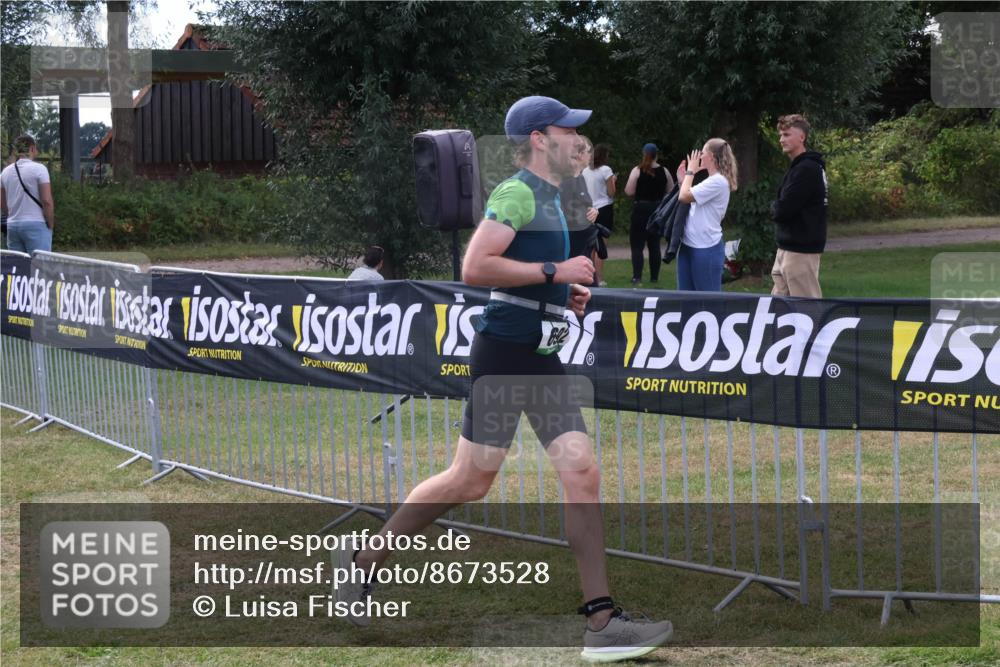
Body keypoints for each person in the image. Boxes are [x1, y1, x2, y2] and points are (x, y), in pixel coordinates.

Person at [336, 95, 673, 662]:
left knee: (583, 473)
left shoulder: (554, 196)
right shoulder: (516, 192)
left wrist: (564, 291)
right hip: (505, 354)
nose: (578, 141)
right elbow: (476, 266)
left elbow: (525, 273)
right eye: (568, 131)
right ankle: (364, 559)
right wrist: (554, 270)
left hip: (541, 355)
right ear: (540, 139)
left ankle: (602, 622)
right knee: (469, 482)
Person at [770, 114, 828, 298]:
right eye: (781, 135)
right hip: (786, 247)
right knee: (778, 308)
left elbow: (784, 209)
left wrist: (775, 207)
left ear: (801, 137)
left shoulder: (807, 168)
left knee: (806, 308)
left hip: (801, 251)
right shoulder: (799, 167)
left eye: (787, 134)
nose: (782, 139)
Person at [674, 138, 739, 292]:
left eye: (702, 153)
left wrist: (690, 171)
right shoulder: (711, 180)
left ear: (712, 157)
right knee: (684, 299)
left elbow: (684, 196)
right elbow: (687, 196)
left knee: (708, 302)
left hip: (706, 249)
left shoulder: (719, 182)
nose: (699, 156)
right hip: (688, 245)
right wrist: (683, 181)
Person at [624, 143, 674, 285]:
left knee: (637, 245)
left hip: (640, 209)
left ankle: (637, 277)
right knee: (654, 244)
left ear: (643, 154)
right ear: (656, 155)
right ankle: (654, 277)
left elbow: (629, 191)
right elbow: (671, 190)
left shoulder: (637, 170)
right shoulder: (664, 171)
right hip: (657, 210)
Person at [0, 134, 54, 254]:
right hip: (36, 224)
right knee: (39, 263)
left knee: (18, 264)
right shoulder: (40, 169)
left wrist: (11, 216)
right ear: (32, 148)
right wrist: (50, 223)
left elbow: (2, 202)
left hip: (13, 226)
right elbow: (46, 201)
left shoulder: (5, 172)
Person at [560, 135, 601, 287]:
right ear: (579, 154)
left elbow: (585, 205)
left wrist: (594, 211)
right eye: (589, 151)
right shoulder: (566, 180)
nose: (591, 155)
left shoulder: (580, 178)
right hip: (574, 249)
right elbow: (563, 214)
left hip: (584, 247)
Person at [583, 143, 616, 286]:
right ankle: (600, 278)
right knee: (601, 245)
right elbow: (611, 192)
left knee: (590, 245)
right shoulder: (606, 170)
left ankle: (589, 276)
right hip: (604, 208)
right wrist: (613, 181)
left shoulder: (585, 171)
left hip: (589, 209)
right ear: (604, 156)